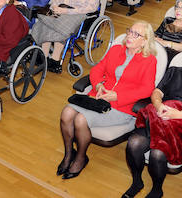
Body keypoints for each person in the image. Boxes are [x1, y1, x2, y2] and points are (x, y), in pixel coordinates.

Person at [58, 21, 158, 179]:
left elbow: (147, 89)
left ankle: (81, 158)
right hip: (99, 98)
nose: (130, 36)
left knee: (80, 120)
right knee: (66, 113)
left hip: (121, 107)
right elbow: (98, 68)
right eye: (129, 31)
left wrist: (118, 96)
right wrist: (98, 85)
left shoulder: (149, 60)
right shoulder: (116, 49)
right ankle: (69, 154)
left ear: (144, 40)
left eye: (136, 34)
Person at [123, 42, 182, 198]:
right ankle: (137, 182)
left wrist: (176, 115)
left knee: (157, 153)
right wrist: (159, 106)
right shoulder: (173, 71)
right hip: (160, 116)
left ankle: (157, 190)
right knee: (134, 143)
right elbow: (156, 92)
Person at [31, 0, 100, 73]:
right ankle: (43, 56)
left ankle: (55, 59)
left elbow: (92, 7)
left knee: (60, 26)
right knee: (45, 21)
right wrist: (54, 5)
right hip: (61, 9)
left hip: (78, 14)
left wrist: (67, 11)